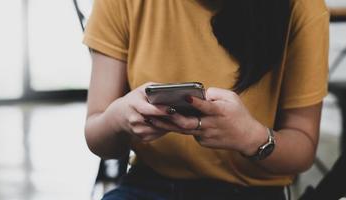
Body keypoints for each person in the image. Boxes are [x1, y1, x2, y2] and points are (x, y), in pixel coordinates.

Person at [83, 0, 329, 199]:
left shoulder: (302, 7)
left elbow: (303, 147)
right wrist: (119, 117)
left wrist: (250, 137)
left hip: (252, 191)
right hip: (149, 182)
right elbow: (97, 136)